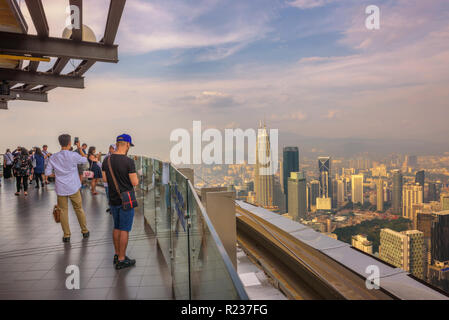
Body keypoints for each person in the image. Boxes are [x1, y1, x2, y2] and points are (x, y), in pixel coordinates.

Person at [102, 134, 138, 270]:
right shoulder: (129, 162)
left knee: (116, 227)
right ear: (127, 145)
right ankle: (122, 259)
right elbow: (134, 182)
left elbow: (105, 180)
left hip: (113, 199)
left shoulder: (107, 160)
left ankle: (117, 255)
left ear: (117, 144)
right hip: (126, 200)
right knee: (124, 229)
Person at [45, 134, 90, 243]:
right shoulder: (73, 155)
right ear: (70, 143)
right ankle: (84, 231)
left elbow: (47, 173)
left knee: (63, 211)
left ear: (60, 143)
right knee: (79, 209)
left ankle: (66, 235)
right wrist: (79, 148)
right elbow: (85, 160)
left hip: (61, 188)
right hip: (73, 187)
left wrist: (57, 175)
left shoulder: (53, 157)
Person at [103, 144, 117, 213]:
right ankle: (111, 207)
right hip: (107, 181)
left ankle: (113, 208)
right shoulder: (106, 157)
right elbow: (103, 168)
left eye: (113, 148)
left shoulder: (116, 157)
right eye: (111, 148)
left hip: (113, 181)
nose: (111, 149)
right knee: (108, 195)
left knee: (112, 195)